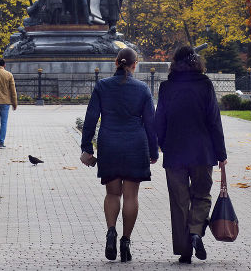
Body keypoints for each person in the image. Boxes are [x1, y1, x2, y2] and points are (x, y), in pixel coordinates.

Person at [80, 47, 158, 262]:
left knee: (112, 193)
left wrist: (86, 147)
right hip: (135, 144)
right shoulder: (142, 89)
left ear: (116, 63)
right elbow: (150, 124)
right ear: (135, 65)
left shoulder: (103, 86)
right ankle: (125, 241)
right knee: (131, 195)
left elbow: (91, 117)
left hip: (110, 143)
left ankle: (111, 231)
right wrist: (153, 151)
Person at [155, 46, 228, 264]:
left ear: (174, 63)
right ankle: (196, 230)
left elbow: (160, 120)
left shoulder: (167, 87)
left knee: (178, 202)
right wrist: (221, 153)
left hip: (175, 152)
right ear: (196, 62)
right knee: (202, 195)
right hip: (202, 151)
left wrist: (161, 145)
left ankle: (184, 251)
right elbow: (214, 120)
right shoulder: (205, 85)